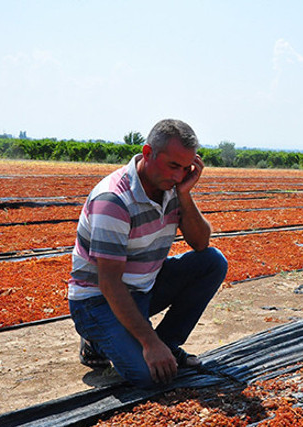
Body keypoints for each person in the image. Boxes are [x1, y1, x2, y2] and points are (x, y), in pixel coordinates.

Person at [68, 119, 227, 388]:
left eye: (186, 168)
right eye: (173, 166)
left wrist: (184, 194)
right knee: (148, 375)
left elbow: (201, 244)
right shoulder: (113, 200)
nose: (179, 176)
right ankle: (97, 342)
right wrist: (149, 343)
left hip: (143, 288)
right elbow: (110, 284)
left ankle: (166, 345)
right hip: (97, 301)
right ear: (148, 153)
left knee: (212, 262)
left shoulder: (171, 188)